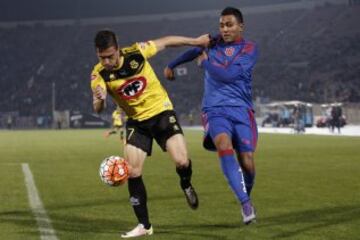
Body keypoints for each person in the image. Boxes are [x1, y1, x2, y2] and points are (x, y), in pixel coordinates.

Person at [91, 29, 209, 238]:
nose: (107, 61)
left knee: (182, 162)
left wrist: (195, 41)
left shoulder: (137, 52)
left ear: (117, 49)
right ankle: (144, 225)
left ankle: (185, 183)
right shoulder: (98, 74)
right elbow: (97, 108)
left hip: (161, 112)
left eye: (110, 56)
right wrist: (99, 98)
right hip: (137, 122)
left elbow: (166, 41)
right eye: (102, 57)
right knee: (133, 172)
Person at [164, 7, 258, 224]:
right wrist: (172, 65)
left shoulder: (250, 49)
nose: (224, 29)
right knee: (223, 144)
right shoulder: (212, 42)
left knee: (248, 162)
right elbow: (195, 49)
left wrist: (205, 63)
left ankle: (246, 193)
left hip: (242, 110)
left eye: (229, 25)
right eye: (222, 25)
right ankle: (245, 204)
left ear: (240, 26)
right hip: (214, 109)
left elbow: (230, 75)